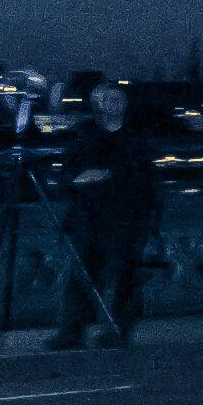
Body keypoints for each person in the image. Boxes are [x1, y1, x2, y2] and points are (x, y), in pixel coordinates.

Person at [52, 78, 160, 348]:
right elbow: (66, 173)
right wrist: (79, 179)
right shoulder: (84, 136)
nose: (116, 105)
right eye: (110, 100)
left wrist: (106, 175)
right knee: (82, 274)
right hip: (88, 215)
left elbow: (143, 177)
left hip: (125, 216)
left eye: (119, 99)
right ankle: (72, 330)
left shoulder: (136, 138)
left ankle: (119, 329)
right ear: (97, 105)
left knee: (124, 272)